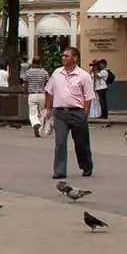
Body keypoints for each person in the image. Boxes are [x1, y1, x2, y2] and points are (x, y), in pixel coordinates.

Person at [47, 48, 94, 180]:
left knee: (81, 143)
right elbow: (49, 91)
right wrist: (48, 109)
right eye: (63, 56)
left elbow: (88, 97)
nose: (63, 58)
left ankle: (86, 166)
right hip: (60, 113)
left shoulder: (84, 76)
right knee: (60, 142)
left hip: (77, 112)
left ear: (75, 58)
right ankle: (59, 170)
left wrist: (85, 114)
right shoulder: (57, 73)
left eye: (66, 56)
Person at [21, 59, 51, 137]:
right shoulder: (45, 72)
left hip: (32, 94)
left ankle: (35, 123)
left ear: (32, 63)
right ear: (40, 63)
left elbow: (25, 84)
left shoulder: (28, 72)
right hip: (42, 94)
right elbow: (47, 84)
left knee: (32, 112)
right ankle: (40, 128)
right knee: (42, 112)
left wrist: (25, 94)